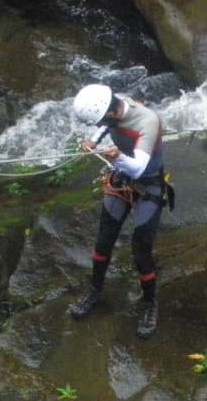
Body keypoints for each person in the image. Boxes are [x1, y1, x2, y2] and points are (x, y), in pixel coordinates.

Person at [67, 83, 170, 339]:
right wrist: (94, 140)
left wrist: (116, 158)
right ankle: (95, 289)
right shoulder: (113, 106)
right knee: (103, 241)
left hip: (148, 183)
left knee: (140, 249)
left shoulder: (148, 121)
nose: (102, 124)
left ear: (113, 112)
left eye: (103, 121)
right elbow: (106, 125)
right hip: (120, 181)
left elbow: (138, 167)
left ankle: (149, 303)